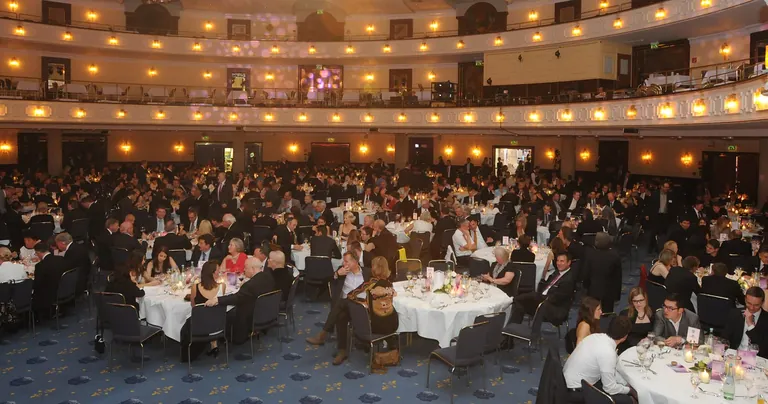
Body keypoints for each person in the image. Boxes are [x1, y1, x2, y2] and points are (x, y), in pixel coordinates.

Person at [305, 252, 369, 364]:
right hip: (345, 307)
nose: (344, 264)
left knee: (342, 305)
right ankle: (342, 351)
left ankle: (323, 334)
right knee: (341, 315)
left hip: (361, 306)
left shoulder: (367, 272)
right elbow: (324, 281)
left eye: (346, 261)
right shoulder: (341, 271)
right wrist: (336, 274)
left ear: (355, 262)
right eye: (343, 261)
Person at [333, 256, 398, 366]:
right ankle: (391, 342)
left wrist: (362, 302)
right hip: (392, 324)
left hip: (374, 326)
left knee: (345, 308)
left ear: (374, 268)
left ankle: (346, 346)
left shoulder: (370, 283)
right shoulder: (390, 285)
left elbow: (351, 295)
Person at [204, 252, 276, 345]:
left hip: (251, 316)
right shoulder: (269, 277)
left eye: (245, 267)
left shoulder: (250, 285)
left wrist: (218, 300)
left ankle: (223, 337)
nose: (244, 270)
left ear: (253, 269)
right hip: (266, 312)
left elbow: (237, 298)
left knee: (225, 312)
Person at [563, 316, 638, 404]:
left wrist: (625, 383)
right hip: (577, 391)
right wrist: (630, 390)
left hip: (566, 381)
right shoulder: (608, 353)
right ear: (625, 336)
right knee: (629, 400)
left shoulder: (595, 337)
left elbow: (611, 369)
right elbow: (610, 388)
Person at [508, 252, 576, 331]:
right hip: (544, 301)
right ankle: (512, 331)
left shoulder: (568, 280)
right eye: (557, 261)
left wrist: (538, 297)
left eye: (562, 261)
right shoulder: (557, 273)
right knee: (520, 302)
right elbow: (545, 286)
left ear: (569, 262)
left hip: (555, 309)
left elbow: (556, 299)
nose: (558, 263)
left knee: (523, 299)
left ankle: (524, 332)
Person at [180, 261, 225, 362]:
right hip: (218, 325)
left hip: (200, 327)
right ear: (213, 273)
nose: (219, 272)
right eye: (218, 271)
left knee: (186, 321)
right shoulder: (222, 286)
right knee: (213, 314)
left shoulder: (195, 288)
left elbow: (194, 306)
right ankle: (214, 344)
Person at [722, 287, 768, 358]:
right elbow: (725, 338)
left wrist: (750, 325)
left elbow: (763, 348)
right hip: (735, 356)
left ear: (762, 303)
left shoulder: (766, 319)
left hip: (757, 358)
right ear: (745, 300)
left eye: (756, 305)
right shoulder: (735, 314)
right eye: (749, 303)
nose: (752, 308)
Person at [584, 232, 622, 313]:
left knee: (592, 312)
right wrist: (617, 295)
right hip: (609, 291)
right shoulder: (615, 255)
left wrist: (586, 288)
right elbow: (618, 278)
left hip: (593, 290)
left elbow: (586, 274)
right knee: (608, 313)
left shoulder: (590, 255)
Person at [31, 242, 66, 312]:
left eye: (36, 253)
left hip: (49, 295)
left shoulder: (40, 266)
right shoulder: (60, 258)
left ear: (38, 252)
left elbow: (37, 284)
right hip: (63, 289)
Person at [618, 287, 654, 353]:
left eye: (641, 300)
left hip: (647, 348)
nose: (638, 304)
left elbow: (654, 332)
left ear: (646, 299)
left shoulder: (651, 313)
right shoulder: (625, 314)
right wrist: (639, 342)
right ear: (631, 302)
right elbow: (621, 335)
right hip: (629, 348)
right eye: (635, 301)